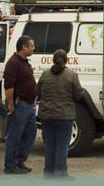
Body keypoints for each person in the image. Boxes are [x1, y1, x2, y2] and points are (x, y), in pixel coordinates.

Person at [35, 49, 84, 178]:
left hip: (46, 115)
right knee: (62, 145)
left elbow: (37, 92)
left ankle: (49, 173)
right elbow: (79, 95)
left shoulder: (45, 75)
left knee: (49, 144)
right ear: (66, 60)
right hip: (64, 116)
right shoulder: (71, 75)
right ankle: (61, 174)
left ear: (53, 60)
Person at [3, 35, 38, 174]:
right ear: (23, 47)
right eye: (31, 46)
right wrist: (11, 104)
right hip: (19, 105)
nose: (33, 48)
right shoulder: (13, 63)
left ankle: (19, 160)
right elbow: (8, 86)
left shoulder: (24, 62)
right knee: (14, 136)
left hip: (28, 105)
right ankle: (10, 166)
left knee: (30, 133)